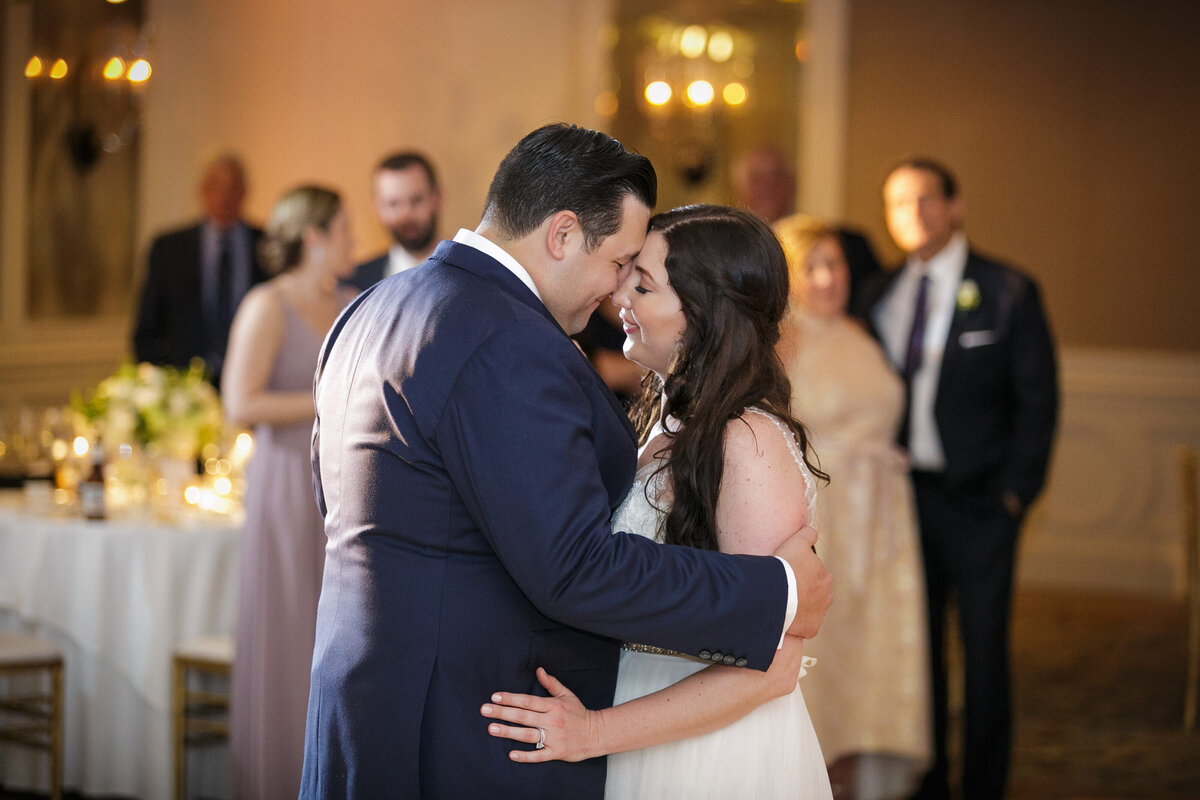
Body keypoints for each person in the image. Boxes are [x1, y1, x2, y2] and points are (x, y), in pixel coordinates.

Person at [299, 124, 832, 798]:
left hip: (369, 705)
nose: (615, 295)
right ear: (562, 235)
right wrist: (777, 594)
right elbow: (571, 566)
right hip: (460, 723)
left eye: (640, 280)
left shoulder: (373, 307)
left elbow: (336, 498)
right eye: (619, 265)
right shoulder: (506, 339)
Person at [481, 205, 834, 799]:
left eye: (643, 284)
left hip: (710, 752)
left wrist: (593, 731)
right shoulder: (665, 416)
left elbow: (771, 664)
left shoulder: (744, 440)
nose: (620, 290)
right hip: (646, 718)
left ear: (704, 316)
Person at [866, 157, 1058, 800]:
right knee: (916, 655)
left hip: (980, 505)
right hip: (902, 502)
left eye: (925, 200)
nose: (912, 215)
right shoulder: (882, 294)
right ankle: (930, 784)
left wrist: (1014, 496)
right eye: (897, 204)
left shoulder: (1008, 291)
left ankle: (982, 786)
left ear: (955, 206)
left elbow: (1038, 402)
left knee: (983, 659)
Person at [775, 217, 931, 800]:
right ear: (789, 273)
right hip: (826, 519)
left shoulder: (864, 333)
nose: (827, 277)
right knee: (828, 652)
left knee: (873, 654)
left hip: (884, 518)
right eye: (812, 264)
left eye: (835, 263)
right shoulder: (783, 341)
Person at [221, 185, 357, 800]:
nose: (356, 243)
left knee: (339, 634)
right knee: (290, 628)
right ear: (315, 237)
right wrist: (327, 401)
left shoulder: (357, 302)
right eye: (346, 231)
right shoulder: (267, 306)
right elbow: (240, 403)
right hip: (284, 488)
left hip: (348, 486)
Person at [132, 154, 268, 388]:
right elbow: (148, 327)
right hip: (185, 384)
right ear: (203, 191)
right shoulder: (170, 248)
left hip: (253, 380)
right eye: (217, 187)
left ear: (245, 192)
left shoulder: (266, 244)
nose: (225, 196)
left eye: (233, 188)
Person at [730, 146, 883, 317]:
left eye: (776, 176)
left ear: (792, 184)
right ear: (740, 188)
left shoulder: (846, 243)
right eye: (757, 177)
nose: (768, 186)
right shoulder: (726, 252)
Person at [345, 150, 442, 290]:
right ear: (377, 208)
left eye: (416, 200)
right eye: (393, 204)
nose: (406, 214)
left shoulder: (472, 272)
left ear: (437, 199)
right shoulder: (353, 285)